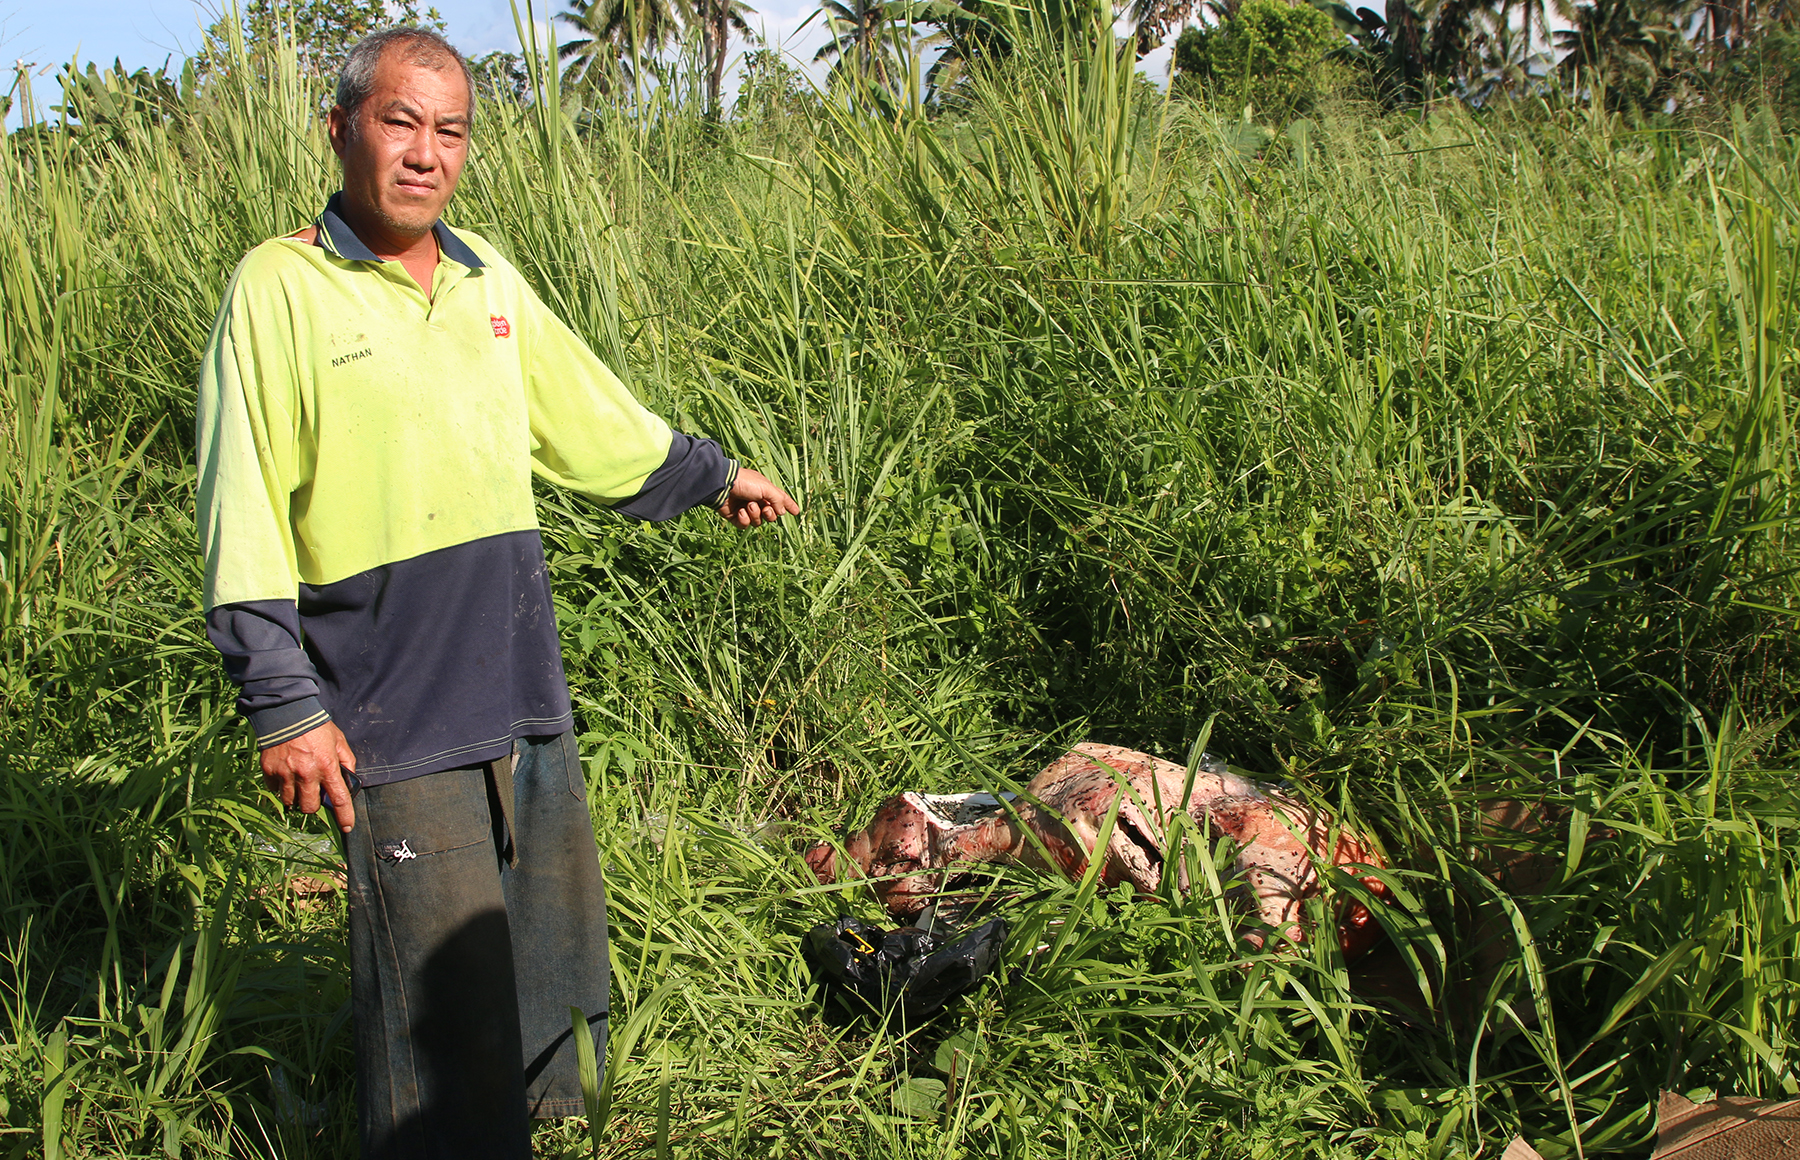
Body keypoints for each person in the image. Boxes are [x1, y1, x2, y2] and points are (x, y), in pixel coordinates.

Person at [194, 26, 799, 1158]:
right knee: (436, 1006)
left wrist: (713, 475)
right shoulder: (280, 286)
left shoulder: (487, 278)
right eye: (399, 121)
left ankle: (546, 1121)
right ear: (341, 130)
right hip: (389, 707)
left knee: (541, 953)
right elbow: (241, 505)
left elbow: (589, 415)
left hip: (516, 684)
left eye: (451, 130)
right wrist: (283, 696)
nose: (426, 153)